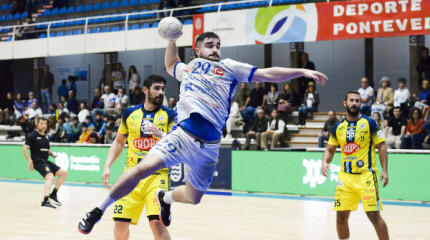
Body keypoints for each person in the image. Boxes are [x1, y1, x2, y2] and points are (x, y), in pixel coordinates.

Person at [78, 31, 327, 234]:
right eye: (209, 45)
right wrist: (171, 39)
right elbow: (170, 64)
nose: (215, 49)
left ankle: (165, 199)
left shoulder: (230, 67)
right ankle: (97, 211)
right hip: (181, 135)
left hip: (209, 147)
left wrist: (301, 72)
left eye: (218, 45)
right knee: (142, 169)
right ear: (197, 50)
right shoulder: (190, 68)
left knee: (193, 197)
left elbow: (266, 73)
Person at [85, 75, 175, 239]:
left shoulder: (170, 115)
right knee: (120, 225)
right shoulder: (130, 113)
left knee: (157, 224)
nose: (160, 92)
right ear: (145, 90)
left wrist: (160, 134)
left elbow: (177, 143)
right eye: (156, 88)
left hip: (157, 177)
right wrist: (107, 165)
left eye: (163, 89)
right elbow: (119, 142)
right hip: (131, 176)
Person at [321, 90, 389, 240]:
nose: (354, 103)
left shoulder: (370, 123)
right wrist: (324, 161)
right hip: (345, 179)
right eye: (351, 100)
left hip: (366, 176)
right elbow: (330, 149)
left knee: (373, 215)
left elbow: (382, 146)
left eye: (357, 101)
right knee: (340, 217)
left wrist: (384, 170)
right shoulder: (337, 128)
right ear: (345, 103)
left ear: (360, 103)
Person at [22, 118, 68, 208]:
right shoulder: (32, 135)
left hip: (45, 160)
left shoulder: (46, 136)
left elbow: (47, 149)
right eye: (41, 123)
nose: (43, 125)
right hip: (37, 161)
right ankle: (45, 201)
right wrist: (30, 161)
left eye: (45, 124)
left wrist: (52, 154)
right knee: (50, 177)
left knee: (63, 173)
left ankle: (53, 194)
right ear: (37, 124)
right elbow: (24, 148)